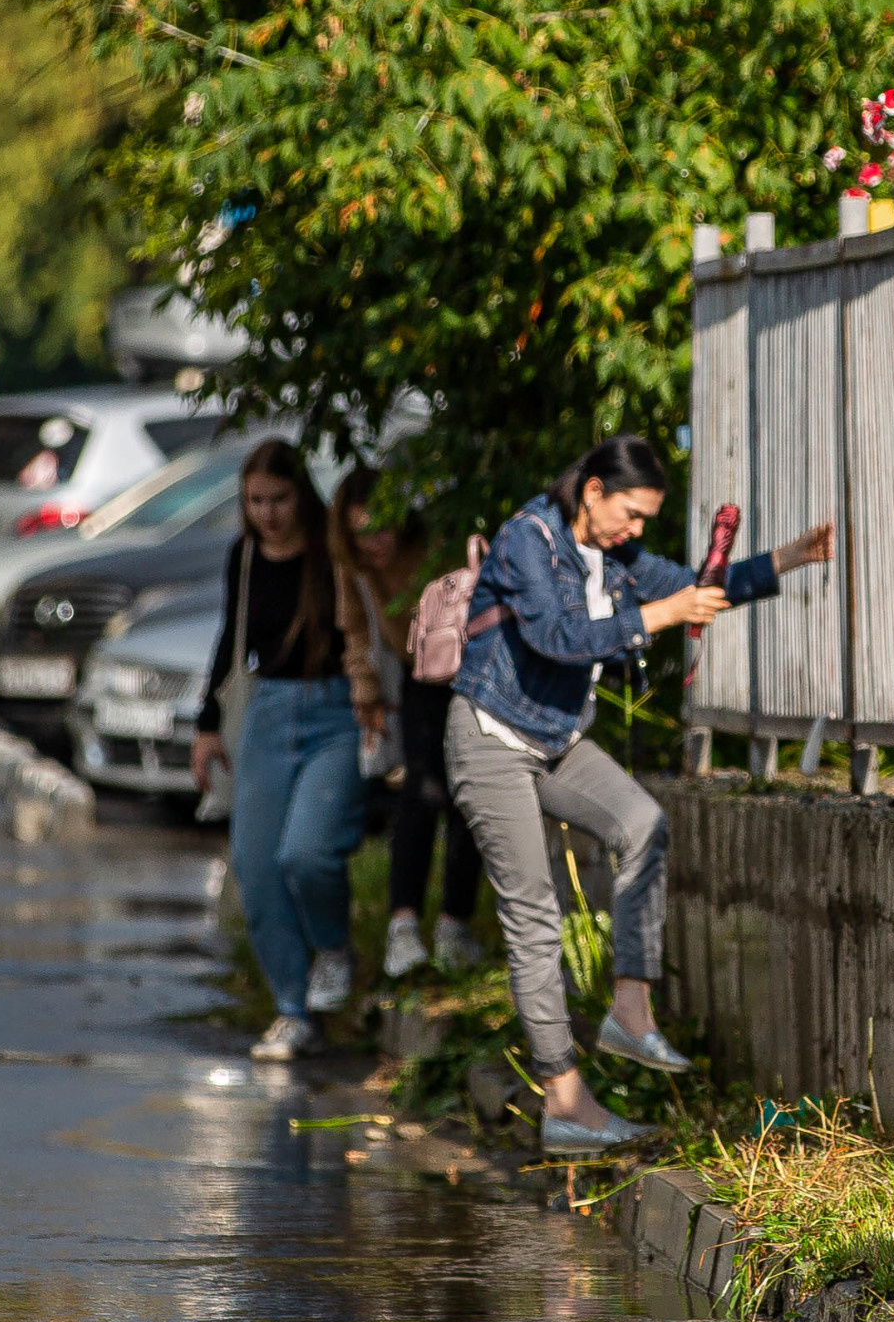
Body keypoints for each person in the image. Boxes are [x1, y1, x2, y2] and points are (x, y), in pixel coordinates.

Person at [447, 435, 834, 1154]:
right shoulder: (526, 539)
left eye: (646, 519)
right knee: (535, 914)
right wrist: (662, 615)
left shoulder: (616, 555)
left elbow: (696, 583)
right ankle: (565, 1104)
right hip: (491, 737)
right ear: (591, 491)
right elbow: (558, 636)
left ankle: (631, 1010)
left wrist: (791, 557)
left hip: (557, 738)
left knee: (642, 823)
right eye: (632, 513)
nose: (637, 531)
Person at [190, 440, 390, 1060]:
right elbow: (232, 635)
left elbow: (367, 625)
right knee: (255, 866)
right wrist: (206, 725)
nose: (268, 513)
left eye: (278, 499)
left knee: (306, 852)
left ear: (301, 495)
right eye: (255, 501)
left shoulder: (332, 554)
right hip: (267, 713)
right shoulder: (245, 555)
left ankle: (332, 948)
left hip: (335, 711)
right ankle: (292, 1010)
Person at [329, 467, 486, 979]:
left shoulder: (436, 545)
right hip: (415, 674)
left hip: (473, 672)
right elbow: (353, 626)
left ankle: (454, 927)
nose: (374, 544)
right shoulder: (352, 564)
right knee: (422, 791)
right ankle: (403, 930)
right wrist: (366, 690)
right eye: (361, 533)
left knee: (469, 795)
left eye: (381, 529)